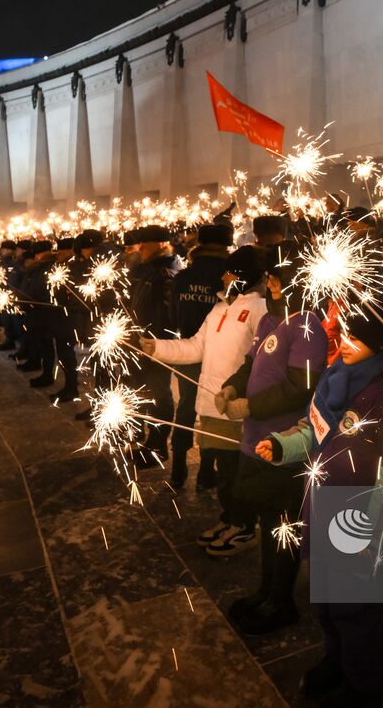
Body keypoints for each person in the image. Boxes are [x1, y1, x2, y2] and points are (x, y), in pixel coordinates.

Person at [256, 310, 383, 704]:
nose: (345, 342)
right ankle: (335, 661)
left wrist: (376, 528)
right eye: (346, 334)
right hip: (321, 506)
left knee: (354, 608)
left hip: (358, 521)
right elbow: (313, 431)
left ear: (378, 347)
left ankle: (363, 683)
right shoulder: (332, 379)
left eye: (357, 339)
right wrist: (280, 446)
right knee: (326, 601)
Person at [217, 247, 328, 632]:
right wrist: (232, 388)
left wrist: (251, 406)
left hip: (284, 443)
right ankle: (265, 591)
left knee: (282, 523)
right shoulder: (270, 319)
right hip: (257, 439)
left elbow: (302, 387)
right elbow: (251, 363)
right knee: (267, 519)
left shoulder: (307, 324)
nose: (271, 285)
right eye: (271, 278)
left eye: (278, 278)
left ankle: (281, 601)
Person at [140, 245, 266, 547]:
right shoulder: (220, 308)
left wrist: (248, 397)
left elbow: (261, 362)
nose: (223, 276)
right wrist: (156, 347)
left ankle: (244, 525)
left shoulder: (259, 310)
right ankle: (230, 518)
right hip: (210, 403)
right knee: (224, 473)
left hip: (234, 404)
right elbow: (196, 347)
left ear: (243, 276)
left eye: (230, 271)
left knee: (235, 472)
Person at [168, 223, 234, 489]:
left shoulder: (182, 277)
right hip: (220, 354)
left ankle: (178, 468)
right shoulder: (228, 278)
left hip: (187, 352)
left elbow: (172, 316)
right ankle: (207, 471)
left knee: (185, 406)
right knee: (210, 411)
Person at [127, 225, 183, 459]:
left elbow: (168, 313)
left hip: (156, 343)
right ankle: (143, 435)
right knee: (141, 390)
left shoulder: (167, 272)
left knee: (159, 393)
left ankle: (158, 446)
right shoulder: (144, 270)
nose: (140, 248)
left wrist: (156, 340)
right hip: (138, 341)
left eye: (145, 244)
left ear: (160, 244)